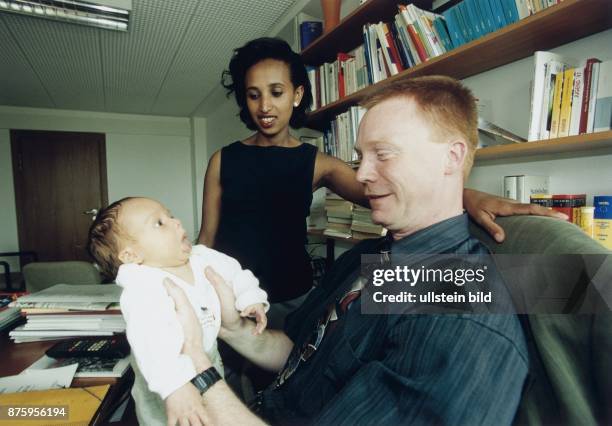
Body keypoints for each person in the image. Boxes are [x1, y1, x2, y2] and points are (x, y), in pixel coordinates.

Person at [165, 76, 532, 425]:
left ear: (452, 158)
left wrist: (198, 364)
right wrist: (232, 327)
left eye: (383, 154)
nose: (360, 175)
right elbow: (295, 351)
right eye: (361, 156)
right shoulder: (370, 256)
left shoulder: (462, 319)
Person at [198, 37, 561, 323]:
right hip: (228, 295)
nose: (264, 106)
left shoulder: (318, 164)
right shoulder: (223, 160)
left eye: (276, 92)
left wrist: (468, 196)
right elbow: (206, 241)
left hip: (292, 299)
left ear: (297, 95)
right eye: (253, 95)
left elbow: (390, 190)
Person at [87, 196, 269, 426]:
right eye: (159, 223)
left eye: (170, 216)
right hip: (166, 383)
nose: (176, 222)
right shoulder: (143, 284)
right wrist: (175, 386)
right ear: (132, 255)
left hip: (208, 361)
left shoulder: (201, 257)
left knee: (212, 414)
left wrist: (250, 297)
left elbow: (236, 273)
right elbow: (150, 340)